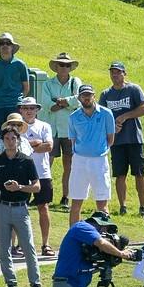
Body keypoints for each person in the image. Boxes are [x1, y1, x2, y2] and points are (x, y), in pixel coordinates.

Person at [0, 122, 41, 287]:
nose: (10, 142)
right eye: (7, 139)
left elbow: (37, 186)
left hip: (20, 209)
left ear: (18, 140)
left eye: (13, 138)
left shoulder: (26, 161)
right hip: (2, 207)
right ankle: (11, 282)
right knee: (4, 247)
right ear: (3, 141)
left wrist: (20, 187)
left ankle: (35, 283)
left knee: (28, 247)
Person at [52, 212, 132, 287]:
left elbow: (92, 260)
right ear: (102, 224)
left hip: (73, 285)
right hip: (70, 283)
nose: (106, 233)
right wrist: (121, 253)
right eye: (106, 229)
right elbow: (101, 243)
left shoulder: (85, 238)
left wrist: (113, 258)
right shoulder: (83, 227)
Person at [100, 61, 144, 218]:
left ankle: (143, 207)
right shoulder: (106, 94)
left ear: (124, 73)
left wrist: (125, 116)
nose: (115, 75)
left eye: (118, 72)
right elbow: (101, 116)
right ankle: (123, 206)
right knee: (120, 175)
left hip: (135, 139)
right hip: (117, 141)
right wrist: (112, 127)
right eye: (112, 72)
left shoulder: (133, 89)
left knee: (139, 174)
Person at [66, 82, 118, 221]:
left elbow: (110, 139)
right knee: (76, 202)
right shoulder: (73, 117)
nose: (86, 98)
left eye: (89, 95)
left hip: (99, 160)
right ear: (79, 98)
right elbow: (73, 140)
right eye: (83, 95)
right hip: (79, 161)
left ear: (94, 96)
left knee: (102, 203)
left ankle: (106, 236)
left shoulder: (106, 114)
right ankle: (74, 237)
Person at [13, 94, 58, 255]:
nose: (29, 111)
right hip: (20, 173)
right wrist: (35, 143)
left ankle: (46, 244)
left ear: (37, 110)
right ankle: (17, 244)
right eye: (25, 108)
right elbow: (14, 147)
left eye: (32, 108)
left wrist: (27, 146)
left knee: (43, 207)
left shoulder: (44, 126)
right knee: (18, 208)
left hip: (42, 173)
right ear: (21, 110)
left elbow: (48, 147)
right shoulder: (16, 127)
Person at [38, 52, 81, 199]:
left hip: (70, 130)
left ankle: (65, 197)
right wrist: (67, 103)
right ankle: (42, 195)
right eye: (61, 64)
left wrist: (60, 101)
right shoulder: (48, 84)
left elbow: (80, 100)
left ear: (70, 68)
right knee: (46, 163)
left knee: (69, 165)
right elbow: (46, 105)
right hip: (52, 129)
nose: (64, 67)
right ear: (56, 67)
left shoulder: (76, 82)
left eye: (67, 65)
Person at [0, 33, 30, 163]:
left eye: (7, 43)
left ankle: (16, 169)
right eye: (2, 43)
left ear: (12, 47)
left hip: (14, 106)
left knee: (15, 139)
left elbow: (25, 87)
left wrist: (18, 101)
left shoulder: (20, 65)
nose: (5, 46)